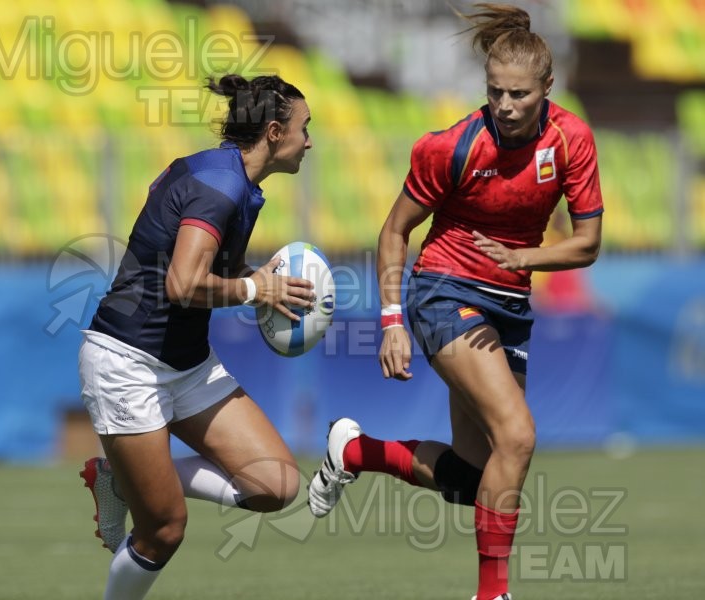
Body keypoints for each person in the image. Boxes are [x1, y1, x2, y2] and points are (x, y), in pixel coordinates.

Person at [307, 4, 603, 600]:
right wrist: (391, 320)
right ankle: (492, 594)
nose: (506, 105)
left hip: (511, 303)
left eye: (519, 94)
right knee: (517, 436)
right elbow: (395, 232)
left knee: (474, 478)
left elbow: (588, 243)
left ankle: (354, 450)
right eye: (495, 92)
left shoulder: (572, 140)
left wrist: (525, 261)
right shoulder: (451, 147)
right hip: (445, 290)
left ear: (548, 88)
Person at [78, 73, 314, 599]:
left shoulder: (224, 176)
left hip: (185, 362)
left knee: (276, 485)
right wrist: (256, 289)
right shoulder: (221, 185)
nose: (310, 140)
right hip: (127, 361)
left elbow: (172, 227)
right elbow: (182, 283)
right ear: (275, 132)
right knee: (164, 529)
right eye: (304, 128)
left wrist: (259, 281)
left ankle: (120, 479)